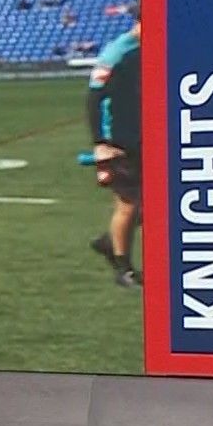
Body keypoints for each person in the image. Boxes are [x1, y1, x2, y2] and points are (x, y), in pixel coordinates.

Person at [88, 20, 143, 288]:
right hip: (117, 140)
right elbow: (93, 98)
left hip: (141, 135)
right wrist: (100, 143)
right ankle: (123, 268)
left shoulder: (150, 47)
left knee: (155, 204)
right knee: (128, 202)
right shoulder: (118, 52)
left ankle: (111, 240)